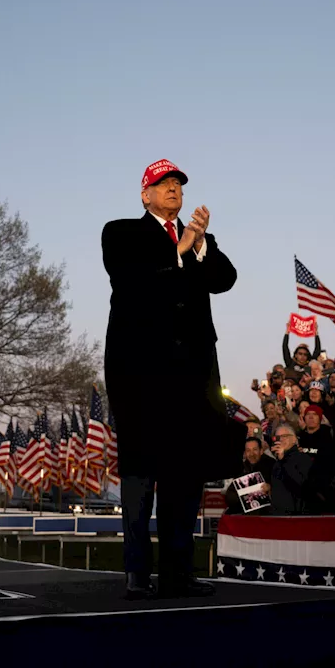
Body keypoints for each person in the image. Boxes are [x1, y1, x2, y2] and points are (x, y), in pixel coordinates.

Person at [101, 159, 241, 600]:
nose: (174, 189)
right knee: (142, 472)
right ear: (145, 194)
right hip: (141, 372)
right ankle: (137, 574)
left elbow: (225, 280)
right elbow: (130, 279)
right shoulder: (121, 232)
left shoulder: (201, 240)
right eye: (164, 184)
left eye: (178, 184)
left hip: (192, 375)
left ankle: (178, 573)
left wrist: (198, 248)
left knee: (185, 473)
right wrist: (178, 250)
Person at [267, 422, 313, 515]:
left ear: (294, 439)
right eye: (278, 437)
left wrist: (283, 459)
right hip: (278, 516)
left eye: (284, 436)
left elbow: (301, 485)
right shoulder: (277, 462)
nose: (281, 440)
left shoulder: (303, 458)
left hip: (296, 516)